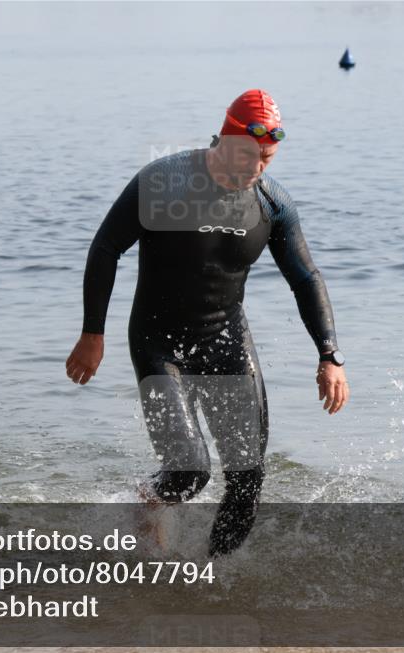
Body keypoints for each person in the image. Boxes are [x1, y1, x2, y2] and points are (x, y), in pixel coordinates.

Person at [65, 89, 349, 556]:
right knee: (188, 472)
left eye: (268, 159)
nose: (257, 168)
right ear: (224, 141)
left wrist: (329, 355)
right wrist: (93, 333)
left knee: (247, 480)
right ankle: (148, 501)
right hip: (159, 340)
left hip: (225, 337)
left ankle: (213, 578)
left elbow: (305, 276)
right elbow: (105, 248)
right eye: (249, 156)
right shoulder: (164, 182)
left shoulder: (272, 203)